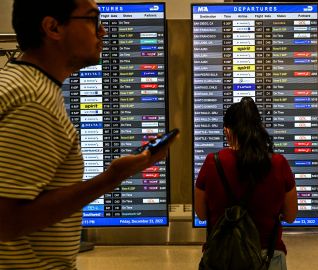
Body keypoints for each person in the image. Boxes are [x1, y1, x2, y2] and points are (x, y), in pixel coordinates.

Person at [0, 0, 176, 269]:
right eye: (93, 19)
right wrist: (112, 178)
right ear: (53, 27)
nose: (103, 31)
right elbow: (7, 220)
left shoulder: (17, 81)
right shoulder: (34, 101)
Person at [195, 97, 298, 270]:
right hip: (268, 258)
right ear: (259, 129)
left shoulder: (212, 162)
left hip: (221, 257)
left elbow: (201, 214)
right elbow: (291, 216)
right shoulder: (279, 163)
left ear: (227, 132)